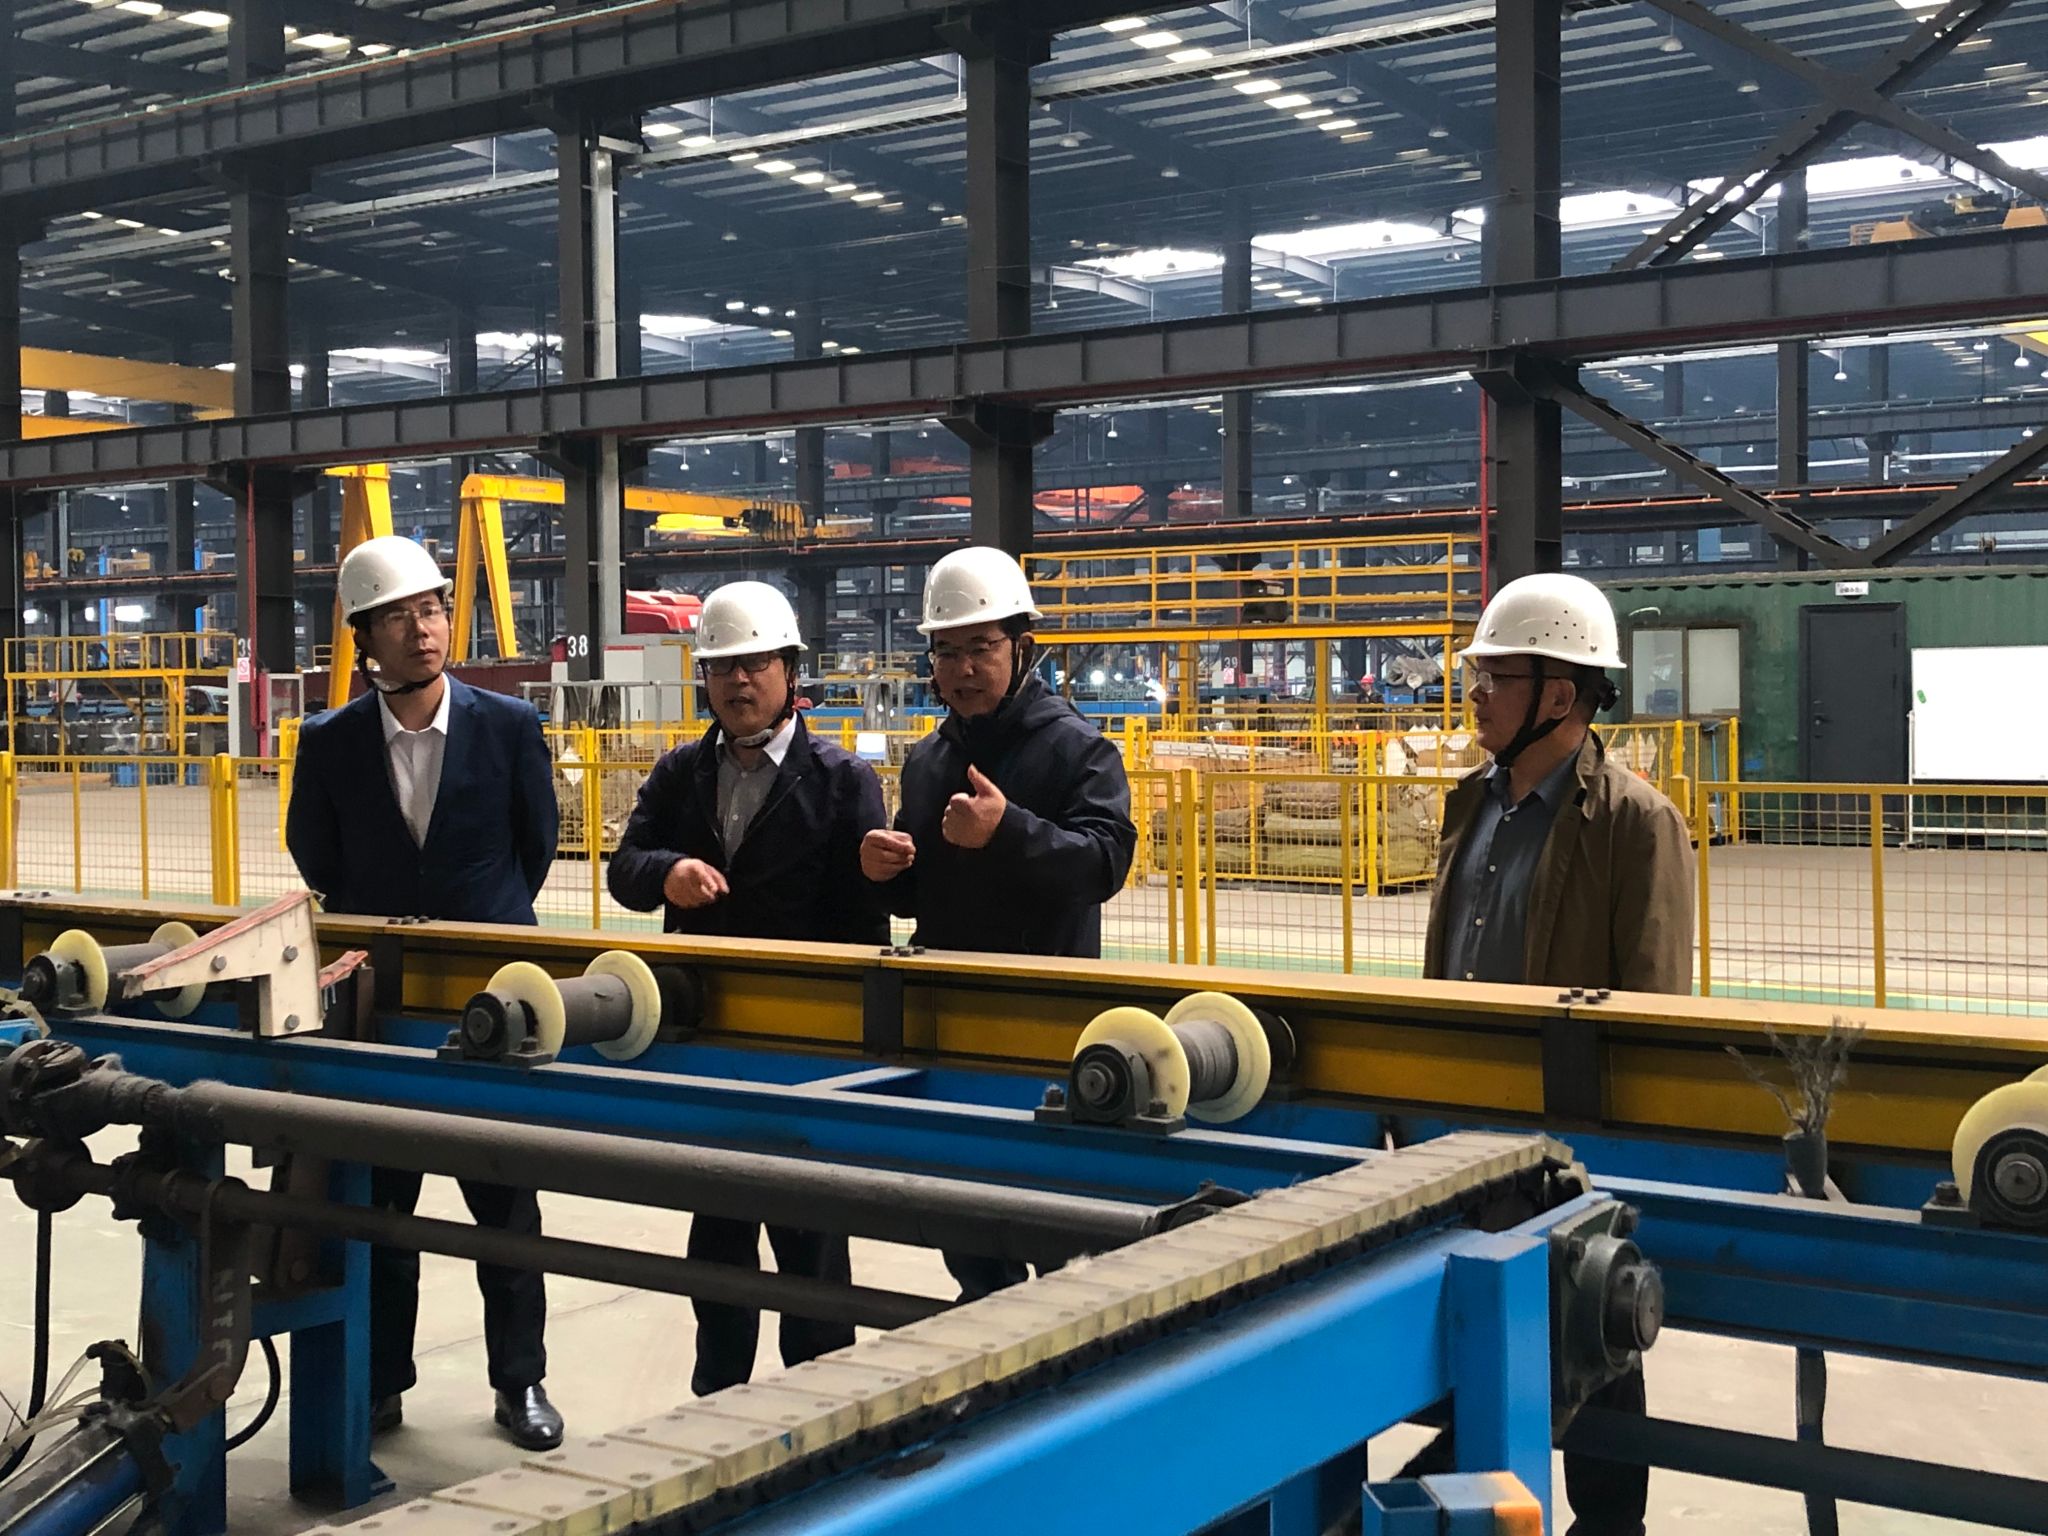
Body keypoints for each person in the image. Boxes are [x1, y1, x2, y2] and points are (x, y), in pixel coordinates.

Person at [1421, 570, 1694, 1536]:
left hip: (1574, 1151)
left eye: (1496, 677)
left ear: (1560, 696)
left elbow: (1655, 1014)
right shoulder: (1471, 806)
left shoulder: (1635, 824)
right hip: (1464, 1138)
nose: (1476, 694)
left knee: (1595, 1339)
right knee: (1483, 1353)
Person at [285, 535, 564, 1452]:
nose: (423, 630)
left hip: (492, 1001)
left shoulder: (509, 726)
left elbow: (536, 846)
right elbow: (316, 854)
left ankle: (520, 1381)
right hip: (381, 1005)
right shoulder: (328, 743)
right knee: (381, 1205)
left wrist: (477, 923)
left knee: (505, 1203)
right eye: (400, 616)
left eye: (433, 610)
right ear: (363, 636)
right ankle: (380, 1382)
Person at [608, 580, 887, 1394]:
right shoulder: (680, 773)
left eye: (756, 663)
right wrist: (668, 872)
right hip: (707, 1036)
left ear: (789, 670)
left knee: (812, 1241)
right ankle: (716, 1396)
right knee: (719, 1236)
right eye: (723, 665)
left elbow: (865, 923)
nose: (738, 680)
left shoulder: (840, 780)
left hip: (805, 1044)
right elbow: (626, 868)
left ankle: (821, 1401)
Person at [860, 545, 1137, 1298]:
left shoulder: (1078, 749)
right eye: (947, 651)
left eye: (980, 648)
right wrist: (886, 872)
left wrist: (1009, 830)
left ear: (1021, 647)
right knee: (966, 1216)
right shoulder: (929, 760)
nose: (963, 668)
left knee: (1055, 1227)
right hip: (951, 1026)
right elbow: (919, 896)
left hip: (1043, 1026)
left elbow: (1104, 864)